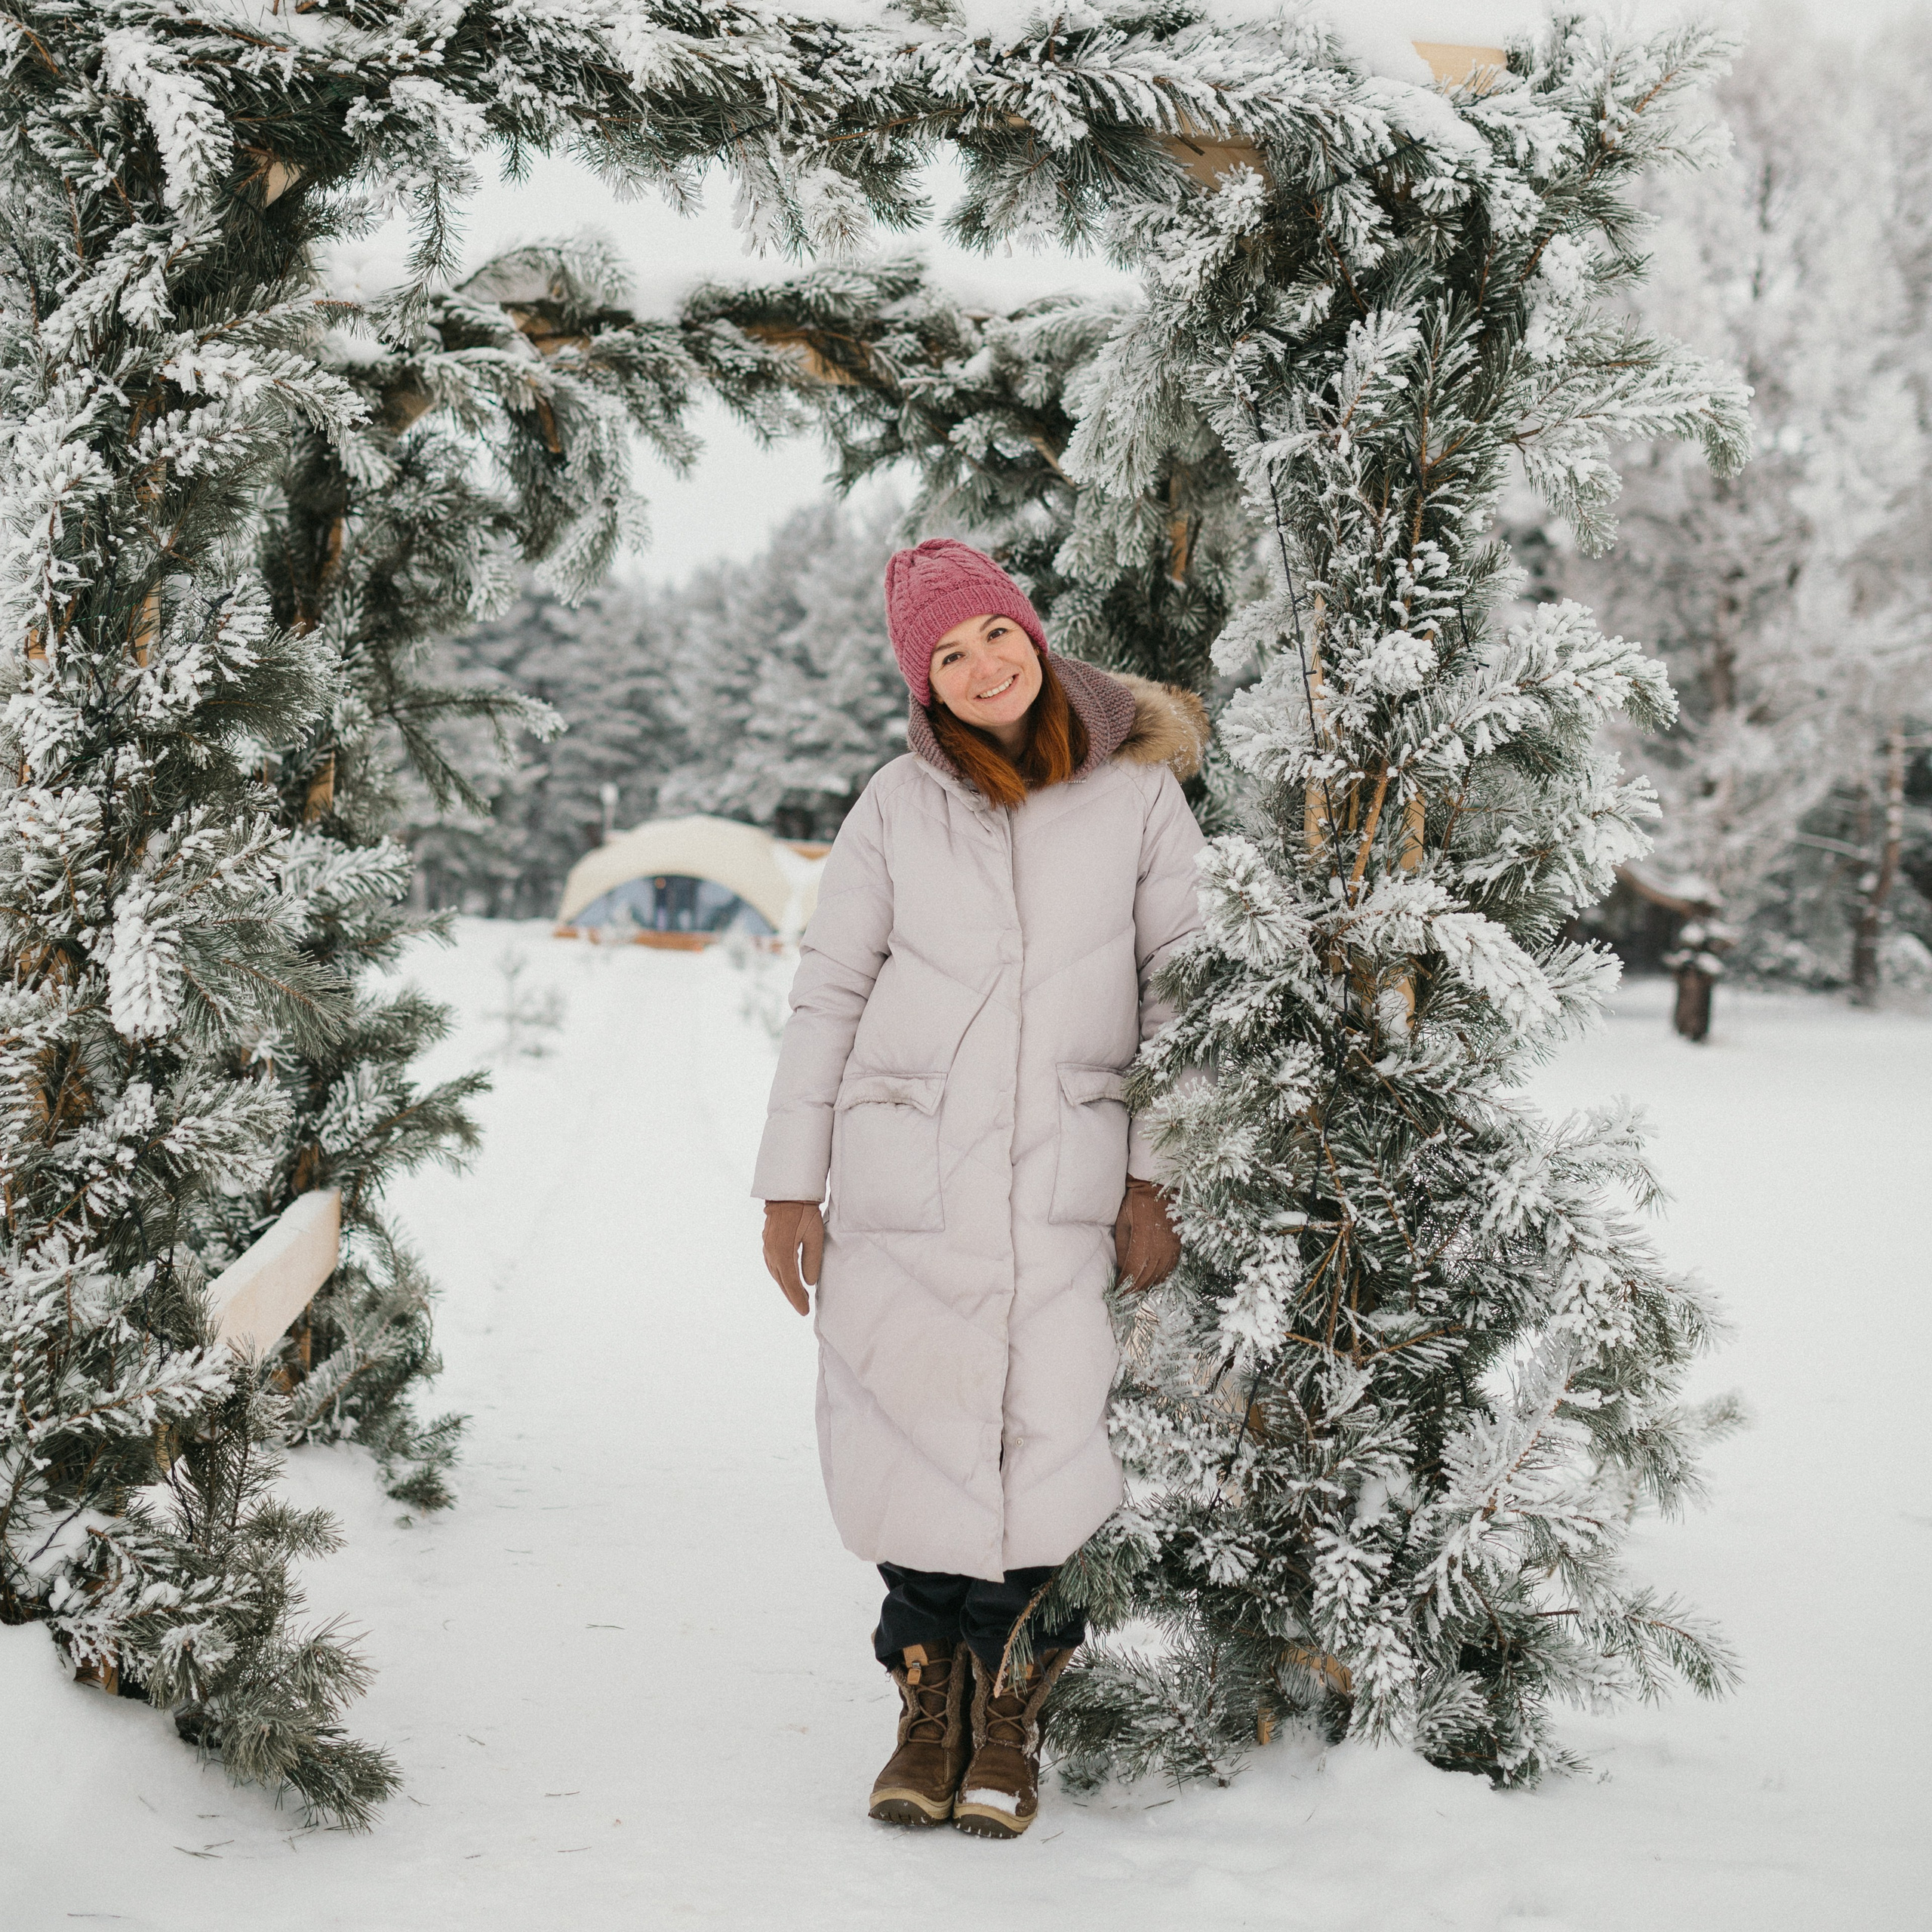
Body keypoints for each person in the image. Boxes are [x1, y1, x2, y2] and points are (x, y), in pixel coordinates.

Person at [753, 538, 1208, 1839]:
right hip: (907, 1179)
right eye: (946, 656)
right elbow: (831, 988)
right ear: (923, 684)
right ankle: (929, 1697)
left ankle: (1012, 1701)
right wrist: (792, 1186)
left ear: (1033, 633)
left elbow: (1183, 983)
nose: (979, 666)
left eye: (992, 635)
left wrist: (1156, 1172)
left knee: (1054, 1434)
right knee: (912, 1421)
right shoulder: (895, 805)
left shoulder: (1136, 796)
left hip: (1069, 1175)